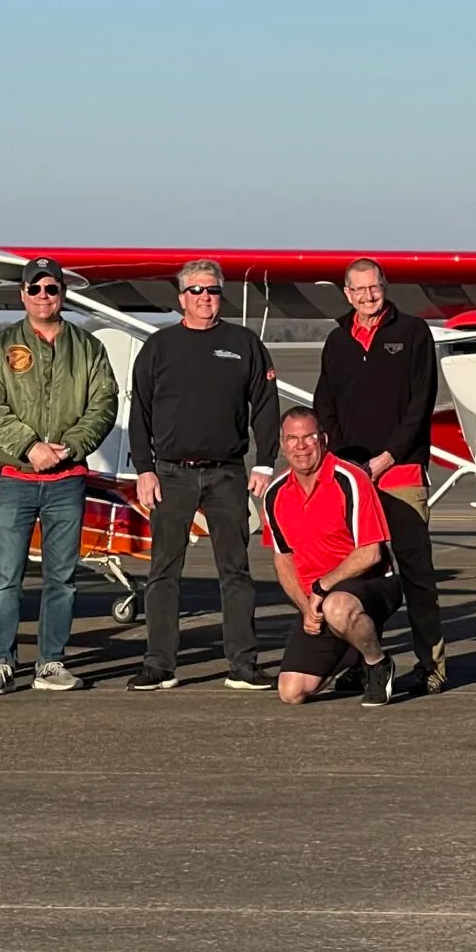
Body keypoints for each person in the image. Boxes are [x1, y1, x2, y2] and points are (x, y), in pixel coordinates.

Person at [128, 259, 282, 691]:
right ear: (181, 298)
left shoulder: (244, 342)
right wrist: (144, 469)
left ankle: (243, 664)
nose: (204, 298)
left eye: (212, 290)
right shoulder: (159, 346)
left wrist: (265, 463)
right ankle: (159, 663)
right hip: (171, 474)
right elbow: (138, 410)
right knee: (163, 571)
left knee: (235, 570)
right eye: (195, 291)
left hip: (227, 474)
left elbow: (266, 406)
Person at [0, 257, 118, 694]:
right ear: (22, 295)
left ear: (62, 294)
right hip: (15, 477)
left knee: (62, 578)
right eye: (34, 289)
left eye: (51, 289)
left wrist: (69, 446)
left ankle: (51, 661)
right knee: (4, 577)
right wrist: (29, 446)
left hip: (67, 480)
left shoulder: (89, 348)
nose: (42, 297)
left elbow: (103, 404)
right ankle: (1, 661)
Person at [315, 257, 447, 693]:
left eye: (375, 288)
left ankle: (432, 664)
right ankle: (361, 659)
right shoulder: (336, 342)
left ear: (383, 287)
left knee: (415, 573)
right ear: (347, 294)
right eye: (359, 290)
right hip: (352, 479)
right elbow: (325, 405)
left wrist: (388, 457)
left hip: (401, 473)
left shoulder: (412, 332)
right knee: (358, 576)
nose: (368, 296)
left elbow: (420, 403)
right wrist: (341, 464)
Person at [261, 409, 398, 707]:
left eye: (309, 438)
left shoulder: (350, 479)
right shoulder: (275, 493)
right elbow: (283, 558)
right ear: (283, 445)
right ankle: (353, 651)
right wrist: (305, 606)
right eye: (292, 439)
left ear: (322, 440)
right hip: (318, 599)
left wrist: (322, 589)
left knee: (338, 607)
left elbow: (370, 553)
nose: (301, 446)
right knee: (291, 692)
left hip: (370, 584)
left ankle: (377, 663)